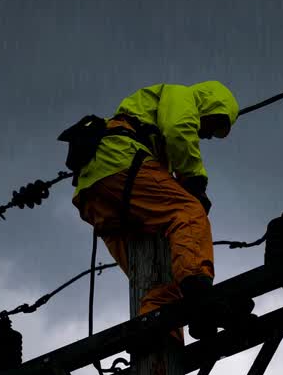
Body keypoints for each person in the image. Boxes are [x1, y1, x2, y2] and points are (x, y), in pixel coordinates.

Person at [69, 80, 238, 339]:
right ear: (210, 105)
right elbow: (179, 129)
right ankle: (200, 293)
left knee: (158, 280)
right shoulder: (182, 95)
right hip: (120, 162)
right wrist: (195, 182)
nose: (206, 135)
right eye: (213, 125)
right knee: (188, 211)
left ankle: (160, 339)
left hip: (94, 194)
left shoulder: (151, 134)